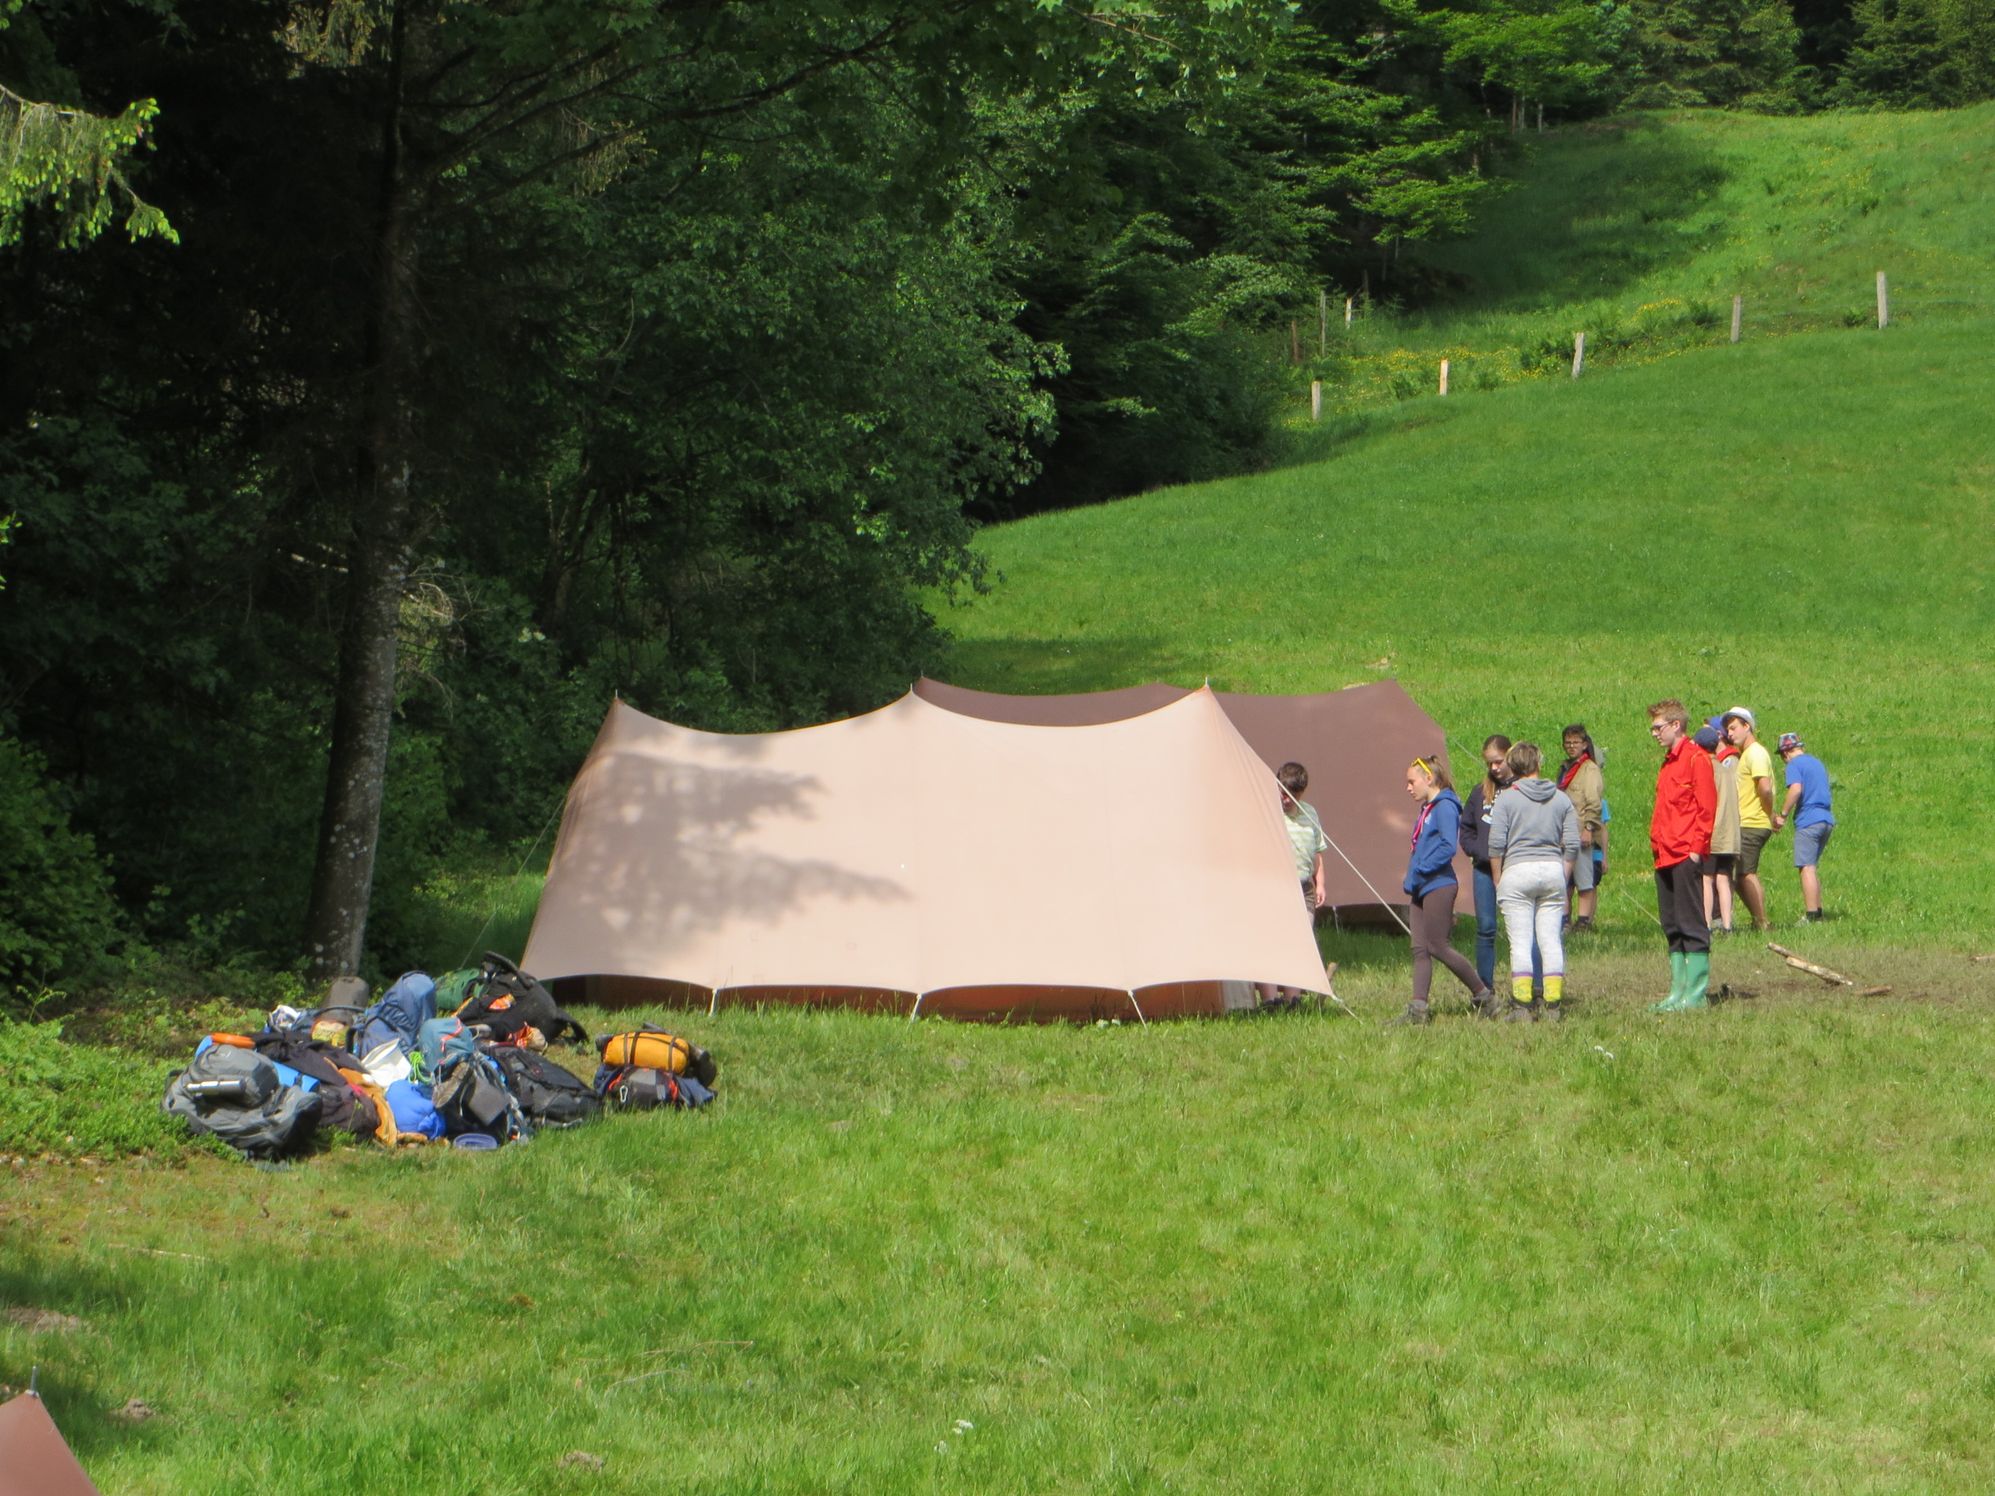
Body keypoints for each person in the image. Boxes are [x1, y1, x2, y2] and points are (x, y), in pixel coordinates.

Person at [1393, 755, 1495, 1025]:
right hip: (1421, 886)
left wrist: (1422, 868)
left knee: (1438, 946)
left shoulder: (1445, 807)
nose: (1408, 787)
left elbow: (1448, 846)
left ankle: (1484, 996)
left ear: (1429, 779)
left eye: (1411, 782)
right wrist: (1413, 876)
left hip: (1438, 885)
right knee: (1420, 949)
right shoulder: (1428, 809)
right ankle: (1418, 1009)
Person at [1488, 741, 1579, 1022]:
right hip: (1551, 870)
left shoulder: (1507, 799)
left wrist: (1497, 878)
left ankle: (1522, 1005)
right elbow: (1572, 844)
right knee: (1550, 940)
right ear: (1538, 763)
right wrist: (1563, 875)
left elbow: (1496, 844)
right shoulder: (1561, 798)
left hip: (1517, 871)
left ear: (1513, 767)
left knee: (1521, 942)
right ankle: (1552, 1004)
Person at [1648, 699, 1717, 1011]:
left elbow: (1707, 808)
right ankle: (1677, 991)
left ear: (1676, 725)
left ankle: (1696, 994)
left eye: (1658, 727)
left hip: (1684, 854)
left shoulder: (1696, 759)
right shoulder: (1668, 763)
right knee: (1671, 923)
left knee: (1691, 923)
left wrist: (1695, 851)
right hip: (1663, 854)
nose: (1654, 733)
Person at [1257, 762, 1330, 1007]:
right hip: (1274, 886)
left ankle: (1293, 999)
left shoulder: (1310, 813)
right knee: (1270, 941)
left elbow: (1317, 852)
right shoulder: (1267, 810)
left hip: (1303, 887)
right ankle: (1269, 1000)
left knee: (1299, 943)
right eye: (1283, 793)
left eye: (1292, 795)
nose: (1286, 800)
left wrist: (1320, 883)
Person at [1458, 735, 1512, 993]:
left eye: (1498, 762)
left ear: (1510, 756)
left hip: (1513, 868)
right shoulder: (1480, 792)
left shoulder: (1519, 790)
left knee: (1520, 930)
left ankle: (1529, 987)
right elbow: (1466, 828)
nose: (1494, 768)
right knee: (1486, 928)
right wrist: (1478, 851)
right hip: (1483, 869)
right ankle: (1484, 989)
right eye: (1489, 763)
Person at [1723, 706, 1778, 930]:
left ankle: (1763, 922)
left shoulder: (1755, 753)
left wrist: (1769, 814)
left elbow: (1765, 788)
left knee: (1746, 873)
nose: (1730, 734)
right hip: (1746, 822)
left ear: (1747, 726)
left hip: (1752, 822)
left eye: (1733, 728)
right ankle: (1758, 920)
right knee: (1741, 876)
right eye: (1728, 730)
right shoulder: (1746, 754)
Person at [1777, 732, 1835, 922]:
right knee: (1812, 866)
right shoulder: (1817, 763)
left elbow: (1796, 789)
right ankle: (1818, 911)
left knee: (1806, 868)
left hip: (1808, 820)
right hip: (1826, 819)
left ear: (1785, 753)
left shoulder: (1794, 765)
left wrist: (1783, 814)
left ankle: (1811, 916)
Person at [1557, 724, 1604, 931]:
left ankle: (1584, 921)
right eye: (1567, 743)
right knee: (1564, 880)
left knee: (1584, 880)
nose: (1571, 746)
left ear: (1585, 744)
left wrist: (1588, 828)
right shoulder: (1566, 768)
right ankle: (1564, 919)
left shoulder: (1589, 769)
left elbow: (1594, 802)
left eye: (1575, 742)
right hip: (1564, 833)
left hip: (1581, 831)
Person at [1696, 721, 1740, 934]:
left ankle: (1706, 924)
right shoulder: (1728, 770)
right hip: (1731, 835)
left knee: (1706, 879)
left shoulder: (1707, 771)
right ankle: (1727, 924)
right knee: (1724, 878)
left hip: (1713, 834)